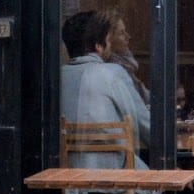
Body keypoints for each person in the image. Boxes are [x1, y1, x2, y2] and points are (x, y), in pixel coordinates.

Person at [61, 9, 151, 168]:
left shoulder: (57, 77)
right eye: (108, 39)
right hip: (116, 180)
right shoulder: (113, 73)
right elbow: (145, 127)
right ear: (99, 45)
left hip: (68, 181)